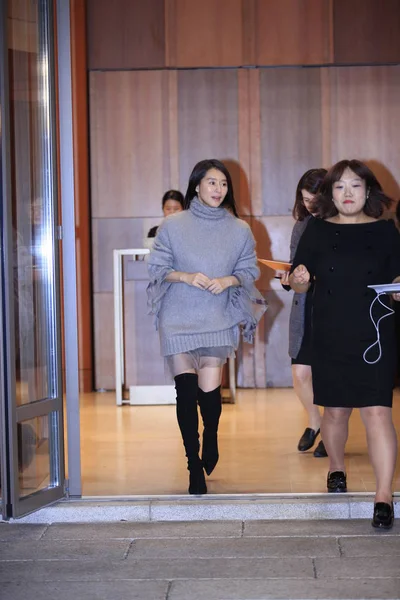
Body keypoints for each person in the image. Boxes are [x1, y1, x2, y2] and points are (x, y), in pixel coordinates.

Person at [290, 159, 400, 529]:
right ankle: (336, 468)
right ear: (330, 193)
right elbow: (300, 282)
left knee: (377, 411)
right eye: (339, 186)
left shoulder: (387, 231)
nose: (347, 193)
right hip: (330, 328)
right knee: (335, 411)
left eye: (355, 185)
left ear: (368, 191)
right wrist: (301, 278)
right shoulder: (316, 230)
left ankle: (383, 496)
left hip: (376, 332)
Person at [147, 159, 267, 495]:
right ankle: (192, 466)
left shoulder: (239, 229)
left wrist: (228, 279)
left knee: (210, 396)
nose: (218, 189)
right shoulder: (173, 225)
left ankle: (210, 436)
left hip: (216, 315)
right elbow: (156, 267)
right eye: (211, 182)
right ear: (197, 185)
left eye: (223, 184)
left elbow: (250, 270)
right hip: (177, 315)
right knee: (185, 392)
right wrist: (184, 276)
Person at [280, 169, 328, 458]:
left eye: (314, 198)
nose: (309, 204)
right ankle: (315, 422)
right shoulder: (302, 226)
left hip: (333, 307)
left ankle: (332, 433)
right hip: (306, 306)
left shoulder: (340, 224)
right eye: (304, 198)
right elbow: (294, 265)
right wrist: (287, 278)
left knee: (330, 376)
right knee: (300, 373)